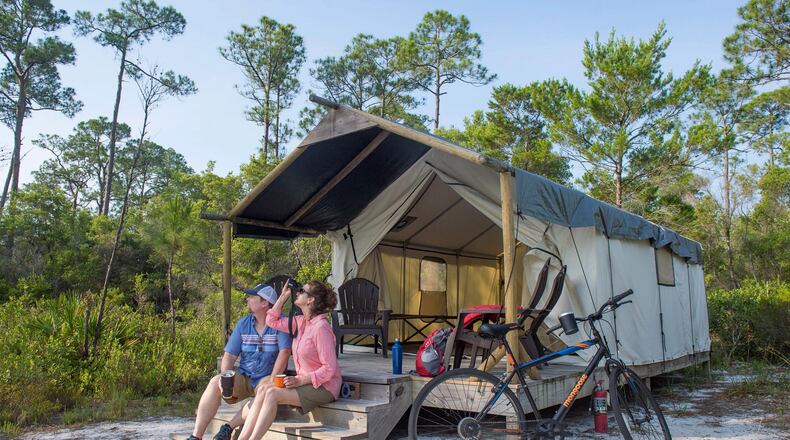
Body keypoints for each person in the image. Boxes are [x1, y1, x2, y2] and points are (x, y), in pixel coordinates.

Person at [237, 280, 341, 440]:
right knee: (265, 388)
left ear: (310, 299)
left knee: (272, 394)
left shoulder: (321, 328)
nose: (297, 292)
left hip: (323, 387)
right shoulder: (300, 322)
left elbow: (329, 369)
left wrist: (300, 380)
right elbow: (271, 321)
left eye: (301, 291)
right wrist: (283, 297)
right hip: (303, 382)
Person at [187, 284, 292, 440]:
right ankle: (196, 436)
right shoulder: (243, 324)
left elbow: (284, 353)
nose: (247, 299)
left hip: (267, 376)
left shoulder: (281, 323)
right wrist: (225, 376)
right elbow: (229, 355)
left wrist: (272, 379)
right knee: (214, 382)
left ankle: (227, 427)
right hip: (245, 375)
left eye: (251, 297)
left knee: (263, 393)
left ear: (264, 303)